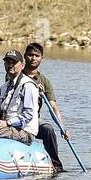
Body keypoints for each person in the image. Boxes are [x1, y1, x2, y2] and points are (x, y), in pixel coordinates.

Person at [23, 41, 69, 172]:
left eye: (37, 56)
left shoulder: (44, 81)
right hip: (16, 118)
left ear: (42, 59)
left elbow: (53, 107)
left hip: (34, 121)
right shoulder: (16, 74)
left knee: (48, 129)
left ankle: (56, 165)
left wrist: (62, 129)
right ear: (25, 56)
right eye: (30, 55)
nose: (33, 58)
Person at [0, 50, 40, 144]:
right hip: (7, 128)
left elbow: (28, 115)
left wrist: (7, 123)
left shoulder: (28, 86)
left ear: (22, 65)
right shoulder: (3, 88)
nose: (10, 65)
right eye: (8, 62)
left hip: (25, 132)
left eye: (14, 62)